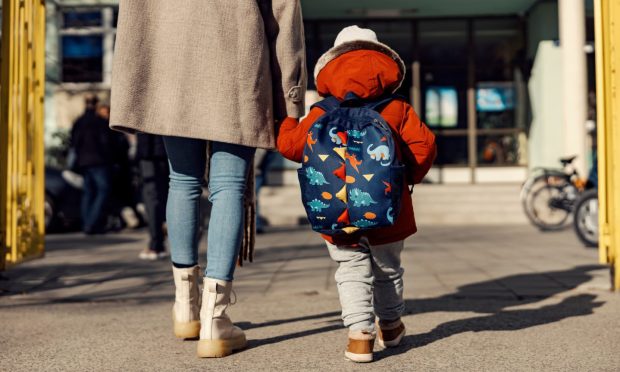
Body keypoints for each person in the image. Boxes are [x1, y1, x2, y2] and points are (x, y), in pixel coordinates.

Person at [109, 0, 306, 358]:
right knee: (228, 186)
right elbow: (284, 14)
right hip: (237, 60)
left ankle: (186, 308)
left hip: (171, 65)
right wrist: (291, 99)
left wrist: (136, 75)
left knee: (181, 181)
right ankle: (215, 319)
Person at [277, 26, 437, 363]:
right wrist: (408, 177)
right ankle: (391, 327)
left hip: (336, 211)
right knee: (388, 268)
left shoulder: (321, 111)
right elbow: (424, 148)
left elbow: (291, 147)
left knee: (350, 269)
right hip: (390, 206)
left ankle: (359, 336)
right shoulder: (397, 109)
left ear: (330, 69)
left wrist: (289, 122)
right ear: (383, 64)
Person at [70, 94, 112, 234]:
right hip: (98, 161)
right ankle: (91, 223)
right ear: (96, 104)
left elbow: (74, 142)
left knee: (88, 193)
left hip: (84, 162)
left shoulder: (79, 121)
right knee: (103, 190)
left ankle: (87, 223)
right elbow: (106, 142)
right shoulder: (98, 122)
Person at [135, 133, 170, 260]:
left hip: (150, 150)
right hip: (170, 146)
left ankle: (156, 244)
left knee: (152, 195)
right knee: (170, 192)